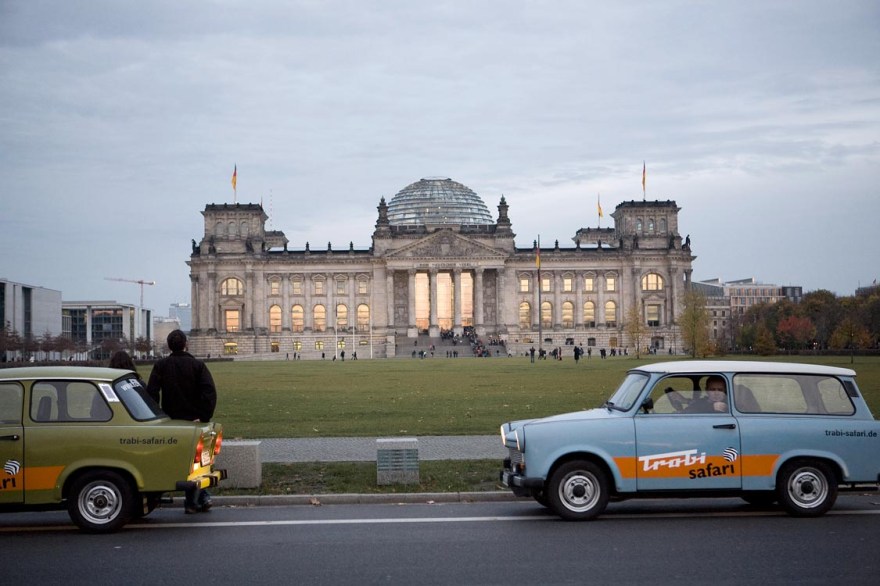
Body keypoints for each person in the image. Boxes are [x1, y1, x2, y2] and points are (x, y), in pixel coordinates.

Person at [146, 330, 217, 514]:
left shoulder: (161, 365)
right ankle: (195, 501)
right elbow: (209, 393)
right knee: (197, 462)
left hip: (171, 421)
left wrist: (158, 416)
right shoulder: (197, 365)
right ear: (186, 344)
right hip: (194, 421)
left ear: (169, 346)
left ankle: (198, 499)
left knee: (182, 461)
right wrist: (204, 416)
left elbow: (151, 394)